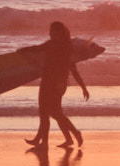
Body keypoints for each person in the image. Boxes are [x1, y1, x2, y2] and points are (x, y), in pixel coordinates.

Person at [32, 20, 90, 151]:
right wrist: (22, 51)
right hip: (47, 81)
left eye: (54, 32)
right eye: (50, 32)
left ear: (60, 33)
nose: (51, 34)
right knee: (46, 113)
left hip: (57, 84)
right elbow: (37, 48)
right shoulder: (52, 44)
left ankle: (74, 133)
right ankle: (47, 141)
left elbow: (73, 69)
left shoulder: (65, 48)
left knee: (54, 113)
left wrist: (83, 87)